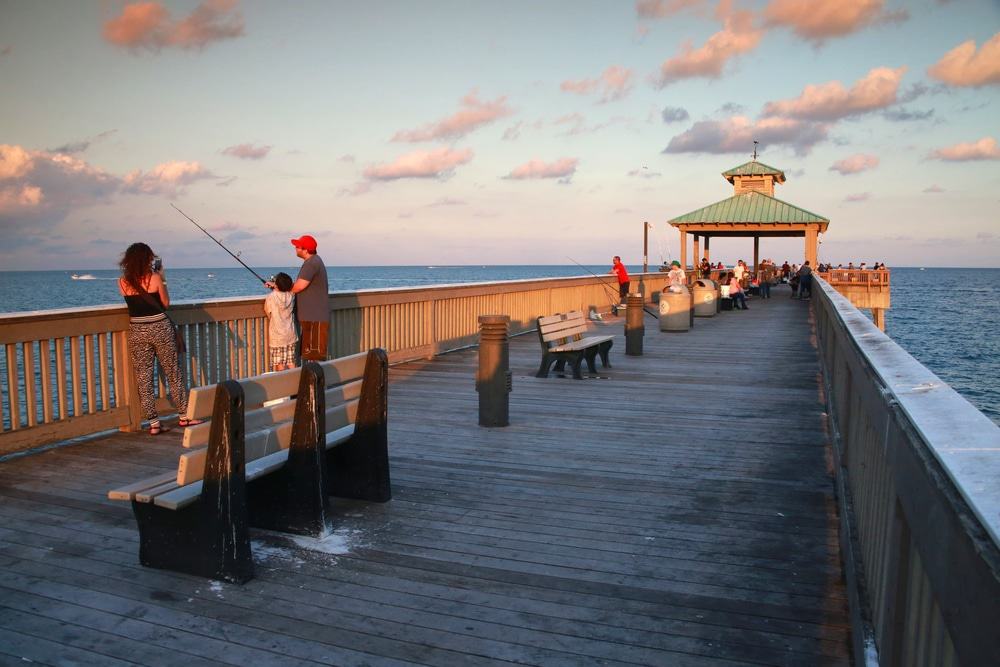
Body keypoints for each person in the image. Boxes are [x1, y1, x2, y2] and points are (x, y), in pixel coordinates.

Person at [117, 243, 201, 435]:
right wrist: (163, 279)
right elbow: (165, 303)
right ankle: (184, 416)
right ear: (147, 258)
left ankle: (154, 423)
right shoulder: (154, 278)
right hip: (160, 328)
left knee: (144, 377)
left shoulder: (122, 282)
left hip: (138, 330)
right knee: (173, 372)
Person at [269, 234, 330, 361]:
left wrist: (279, 286)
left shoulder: (311, 263)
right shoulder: (314, 261)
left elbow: (298, 287)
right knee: (311, 356)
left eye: (298, 246)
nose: (295, 248)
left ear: (305, 250)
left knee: (314, 357)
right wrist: (277, 286)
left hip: (314, 319)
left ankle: (314, 375)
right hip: (313, 318)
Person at [264, 272, 298, 371]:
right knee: (291, 362)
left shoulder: (271, 297)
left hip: (277, 337)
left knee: (280, 364)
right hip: (290, 335)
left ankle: (283, 380)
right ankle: (296, 379)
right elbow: (288, 288)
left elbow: (267, 311)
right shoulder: (291, 295)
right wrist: (275, 286)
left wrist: (274, 287)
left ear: (277, 285)